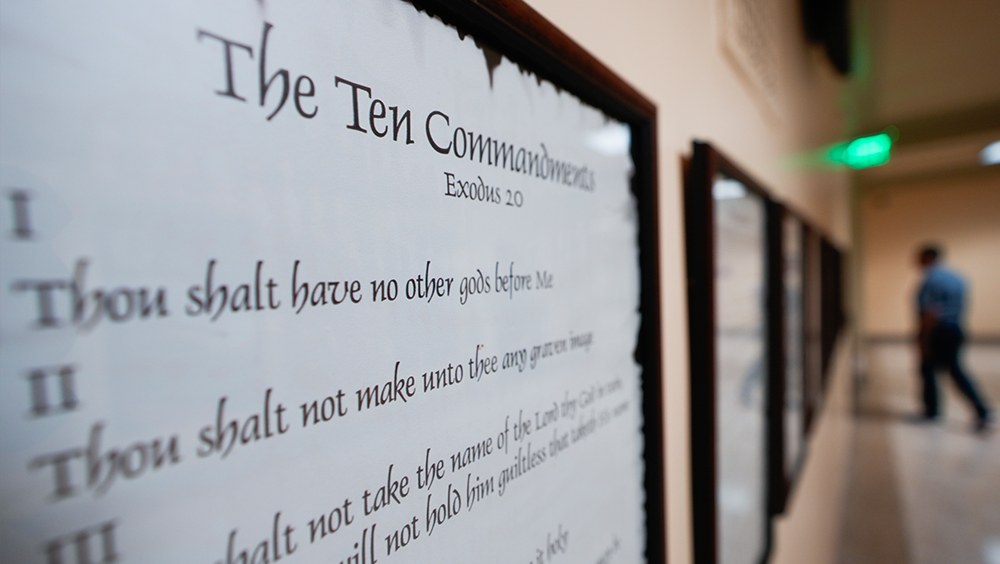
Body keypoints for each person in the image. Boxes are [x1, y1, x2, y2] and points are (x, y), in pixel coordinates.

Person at [914, 244, 993, 432]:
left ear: (928, 257)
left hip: (938, 331)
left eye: (919, 258)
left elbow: (930, 312)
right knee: (946, 369)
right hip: (955, 329)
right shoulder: (957, 277)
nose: (916, 263)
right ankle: (936, 410)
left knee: (938, 369)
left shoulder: (931, 279)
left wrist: (923, 340)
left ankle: (978, 410)